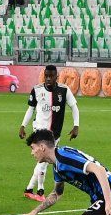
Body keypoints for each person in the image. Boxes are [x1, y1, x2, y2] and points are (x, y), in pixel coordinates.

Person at [19, 65, 80, 201]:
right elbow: (30, 109)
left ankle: (29, 189)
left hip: (55, 134)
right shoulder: (37, 90)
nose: (48, 78)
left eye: (51, 76)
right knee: (44, 161)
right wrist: (23, 125)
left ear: (56, 77)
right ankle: (40, 192)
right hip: (40, 131)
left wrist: (76, 126)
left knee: (44, 161)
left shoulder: (64, 90)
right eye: (46, 76)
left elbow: (74, 107)